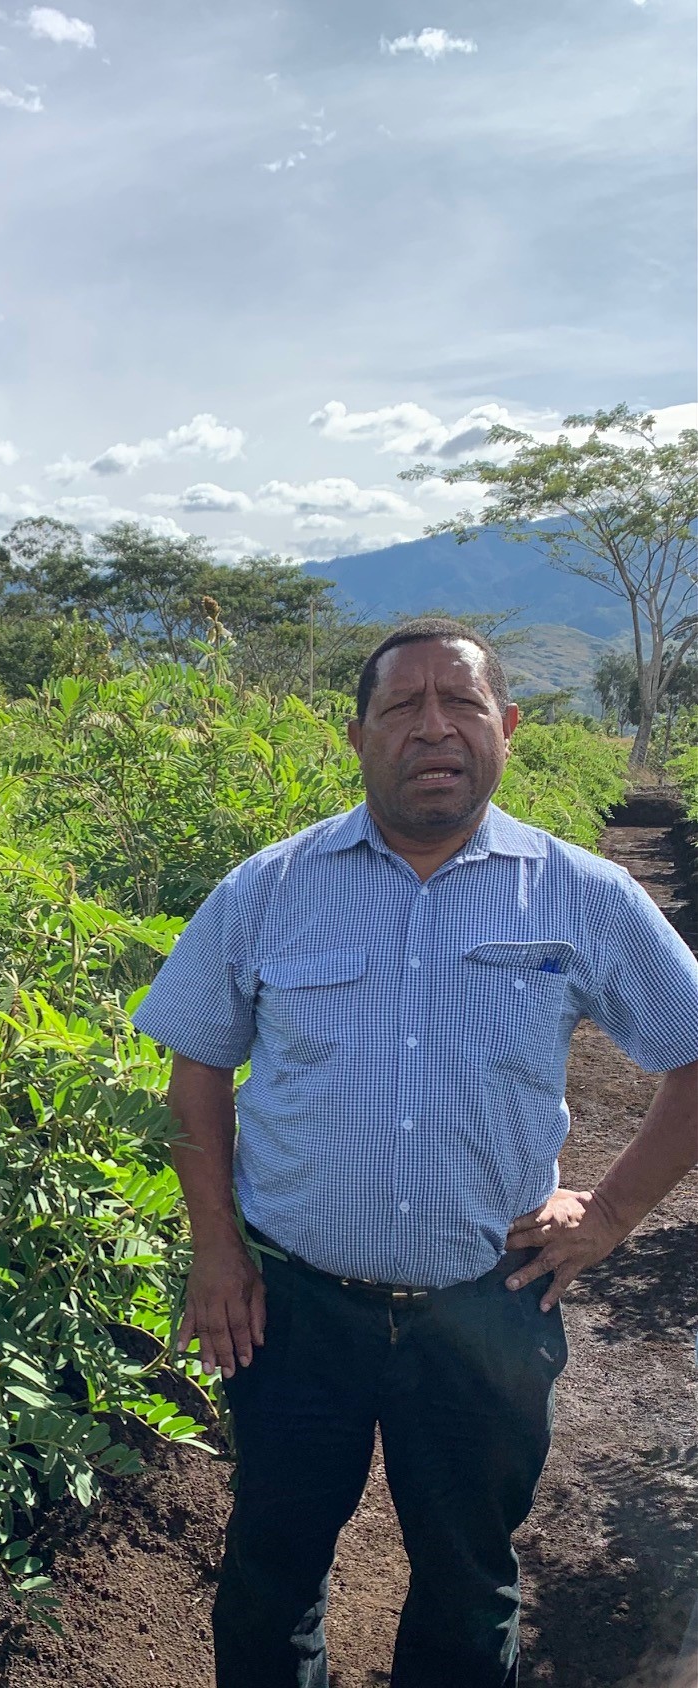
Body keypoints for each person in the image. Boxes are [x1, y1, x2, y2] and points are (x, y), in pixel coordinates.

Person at [131, 618, 698, 1688]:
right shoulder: (269, 887)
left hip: (489, 1310)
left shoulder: (579, 893)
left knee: (468, 1579)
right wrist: (216, 1247)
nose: (433, 726)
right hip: (295, 1309)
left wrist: (612, 1214)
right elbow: (197, 1066)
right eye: (402, 706)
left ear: (508, 728)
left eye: (462, 702)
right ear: (357, 734)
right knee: (271, 1571)